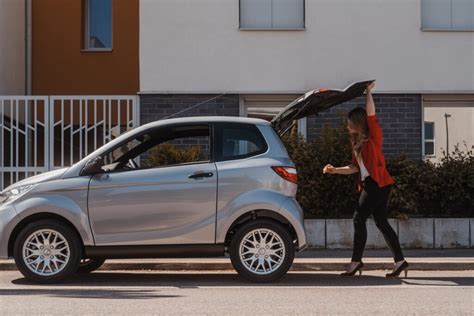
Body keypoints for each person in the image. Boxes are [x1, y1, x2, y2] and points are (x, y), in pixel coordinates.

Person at [322, 82, 409, 278]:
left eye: (349, 122)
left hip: (376, 185)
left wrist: (368, 92)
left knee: (358, 218)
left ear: (357, 123)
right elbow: (354, 168)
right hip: (377, 185)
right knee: (381, 222)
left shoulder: (373, 138)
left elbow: (371, 114)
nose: (347, 125)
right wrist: (334, 170)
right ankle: (400, 261)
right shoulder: (358, 145)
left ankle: (356, 262)